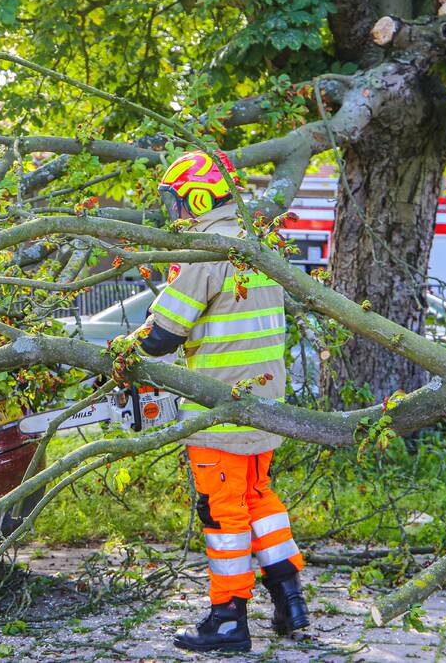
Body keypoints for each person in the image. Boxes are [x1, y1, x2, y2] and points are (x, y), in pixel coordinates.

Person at [134, 150, 309, 653]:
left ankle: (229, 616)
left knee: (222, 509)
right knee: (259, 499)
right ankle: (289, 601)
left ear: (198, 196)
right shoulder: (257, 243)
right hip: (264, 400)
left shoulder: (205, 249)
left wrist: (125, 348)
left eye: (177, 202)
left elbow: (163, 335)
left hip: (220, 407)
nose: (176, 215)